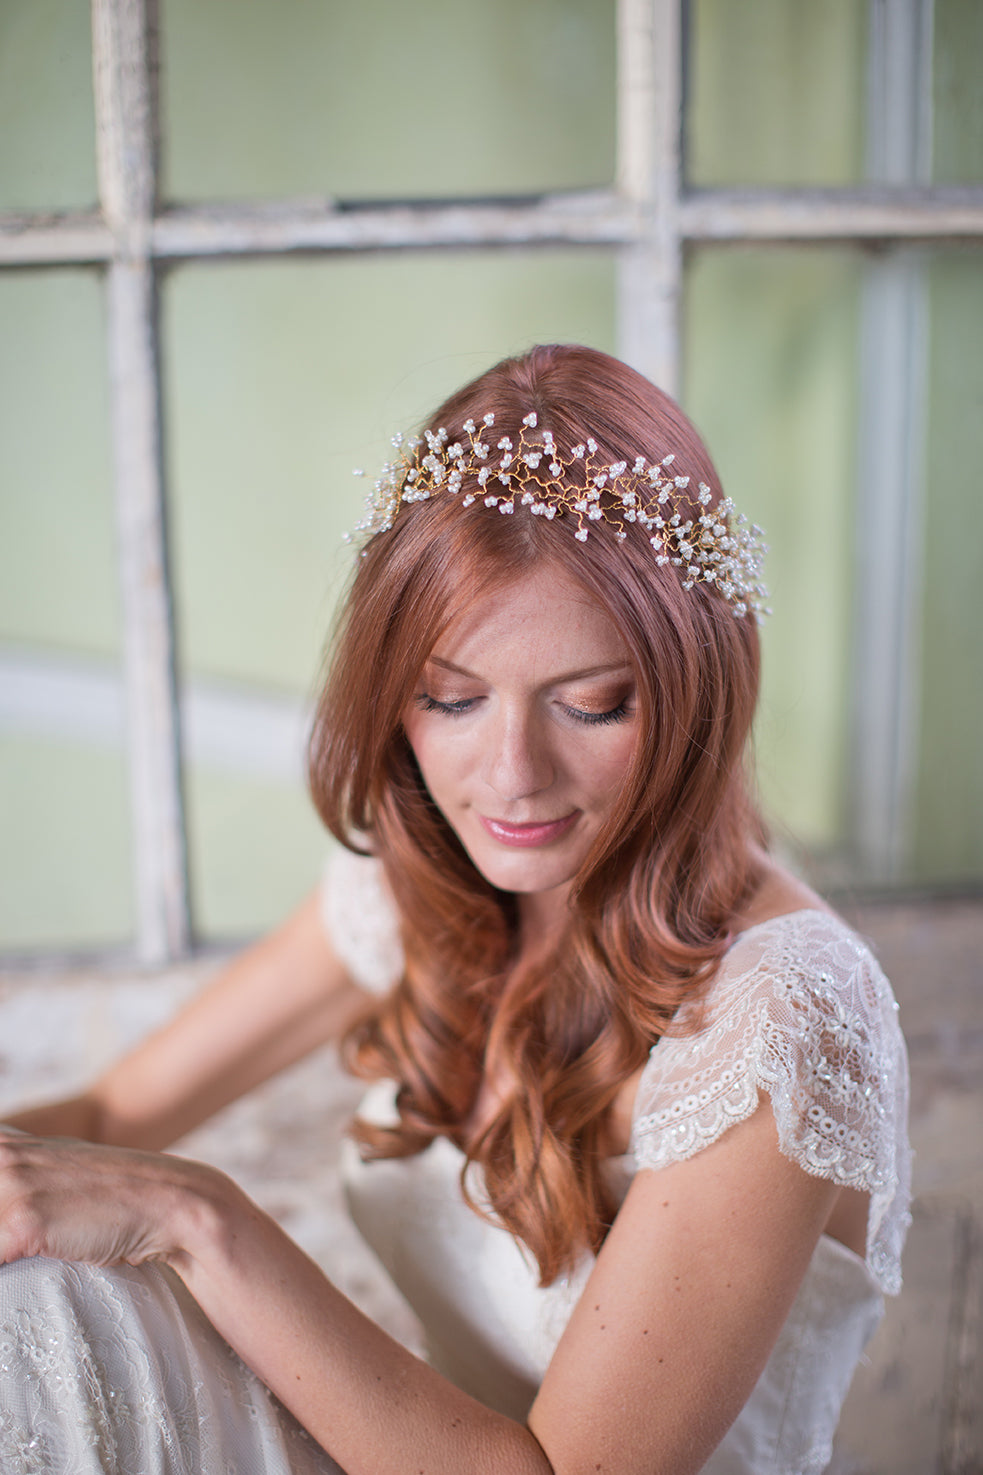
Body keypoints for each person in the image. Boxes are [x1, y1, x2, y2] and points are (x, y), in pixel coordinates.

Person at [0, 344, 910, 1475]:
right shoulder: (423, 891)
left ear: (696, 687)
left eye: (590, 703)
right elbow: (108, 1106)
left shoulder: (787, 1015)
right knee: (33, 1310)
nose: (511, 774)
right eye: (451, 697)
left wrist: (199, 1218)